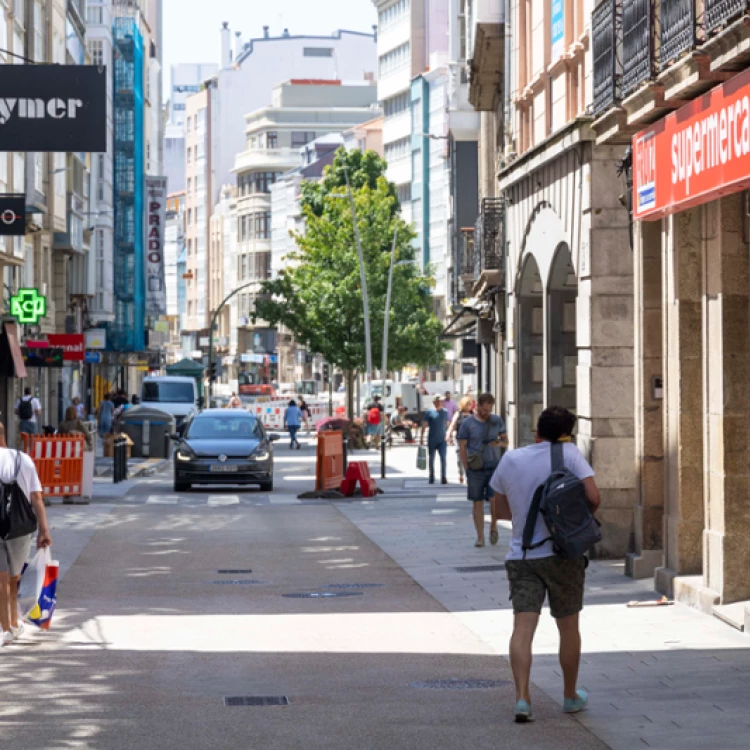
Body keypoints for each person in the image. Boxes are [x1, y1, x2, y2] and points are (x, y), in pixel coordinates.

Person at [490, 406, 600, 722]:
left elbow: (500, 510)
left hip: (523, 556)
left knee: (523, 628)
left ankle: (523, 699)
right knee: (568, 627)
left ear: (536, 430)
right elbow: (594, 497)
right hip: (564, 555)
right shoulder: (569, 454)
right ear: (567, 433)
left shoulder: (511, 459)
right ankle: (569, 695)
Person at [0, 421, 52, 645]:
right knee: (14, 577)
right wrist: (44, 531)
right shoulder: (24, 460)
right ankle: (12, 621)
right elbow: (37, 498)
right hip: (20, 527)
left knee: (1, 579)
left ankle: (5, 628)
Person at [457, 392, 508, 547]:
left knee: (494, 500)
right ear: (477, 406)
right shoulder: (467, 424)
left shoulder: (496, 420)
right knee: (477, 502)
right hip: (476, 468)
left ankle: (493, 525)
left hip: (494, 466)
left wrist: (498, 443)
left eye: (489, 410)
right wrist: (466, 468)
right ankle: (480, 536)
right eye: (484, 410)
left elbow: (505, 441)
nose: (487, 413)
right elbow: (462, 447)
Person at [420, 395, 449, 485]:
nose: (439, 403)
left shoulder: (445, 412)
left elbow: (447, 424)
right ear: (434, 402)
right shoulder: (429, 412)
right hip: (432, 439)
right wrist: (421, 436)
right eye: (437, 402)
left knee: (443, 458)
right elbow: (424, 425)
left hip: (442, 440)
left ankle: (443, 477)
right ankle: (431, 476)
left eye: (440, 401)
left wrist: (449, 435)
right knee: (431, 458)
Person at [447, 396, 474, 485]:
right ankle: (461, 473)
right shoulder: (458, 414)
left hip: (471, 440)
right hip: (460, 440)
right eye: (467, 404)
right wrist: (448, 435)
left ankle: (468, 476)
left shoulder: (473, 414)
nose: (469, 406)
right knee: (460, 459)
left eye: (470, 404)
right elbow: (452, 425)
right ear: (463, 405)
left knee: (470, 458)